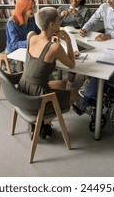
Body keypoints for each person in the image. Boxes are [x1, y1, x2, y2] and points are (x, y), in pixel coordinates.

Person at [18, 7, 78, 139]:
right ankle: (42, 122)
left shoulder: (31, 36)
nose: (60, 23)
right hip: (38, 94)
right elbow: (71, 64)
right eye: (59, 21)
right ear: (52, 24)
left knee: (61, 84)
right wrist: (67, 41)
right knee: (75, 94)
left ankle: (43, 122)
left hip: (23, 88)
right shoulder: (55, 47)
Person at [57, 0, 91, 86]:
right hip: (62, 35)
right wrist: (61, 15)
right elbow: (53, 23)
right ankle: (59, 79)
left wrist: (77, 15)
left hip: (78, 36)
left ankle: (70, 82)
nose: (74, 0)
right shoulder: (61, 8)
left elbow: (86, 26)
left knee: (75, 55)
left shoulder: (86, 10)